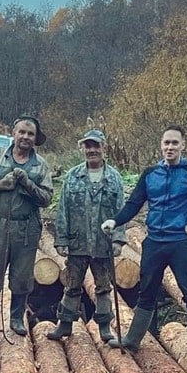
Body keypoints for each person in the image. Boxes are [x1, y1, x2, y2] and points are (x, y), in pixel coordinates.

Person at [101, 124, 187, 360]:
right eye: (166, 143)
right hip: (154, 243)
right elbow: (134, 204)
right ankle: (133, 339)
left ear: (183, 145)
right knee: (147, 291)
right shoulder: (150, 175)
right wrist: (115, 221)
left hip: (181, 243)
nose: (170, 147)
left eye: (174, 143)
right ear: (161, 145)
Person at [0, 115, 53, 337]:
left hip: (27, 227)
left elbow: (46, 199)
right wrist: (0, 184)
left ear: (35, 139)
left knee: (22, 275)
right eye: (22, 132)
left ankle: (16, 318)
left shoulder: (41, 165)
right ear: (13, 133)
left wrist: (27, 183)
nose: (25, 137)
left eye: (30, 134)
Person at [47, 128, 126, 342]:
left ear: (104, 148)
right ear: (83, 148)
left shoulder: (114, 178)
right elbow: (63, 209)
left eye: (96, 146)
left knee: (103, 287)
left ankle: (104, 328)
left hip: (103, 243)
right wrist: (61, 239)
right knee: (72, 285)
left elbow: (121, 210)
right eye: (88, 146)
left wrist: (118, 239)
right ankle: (64, 325)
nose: (92, 150)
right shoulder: (73, 176)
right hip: (77, 241)